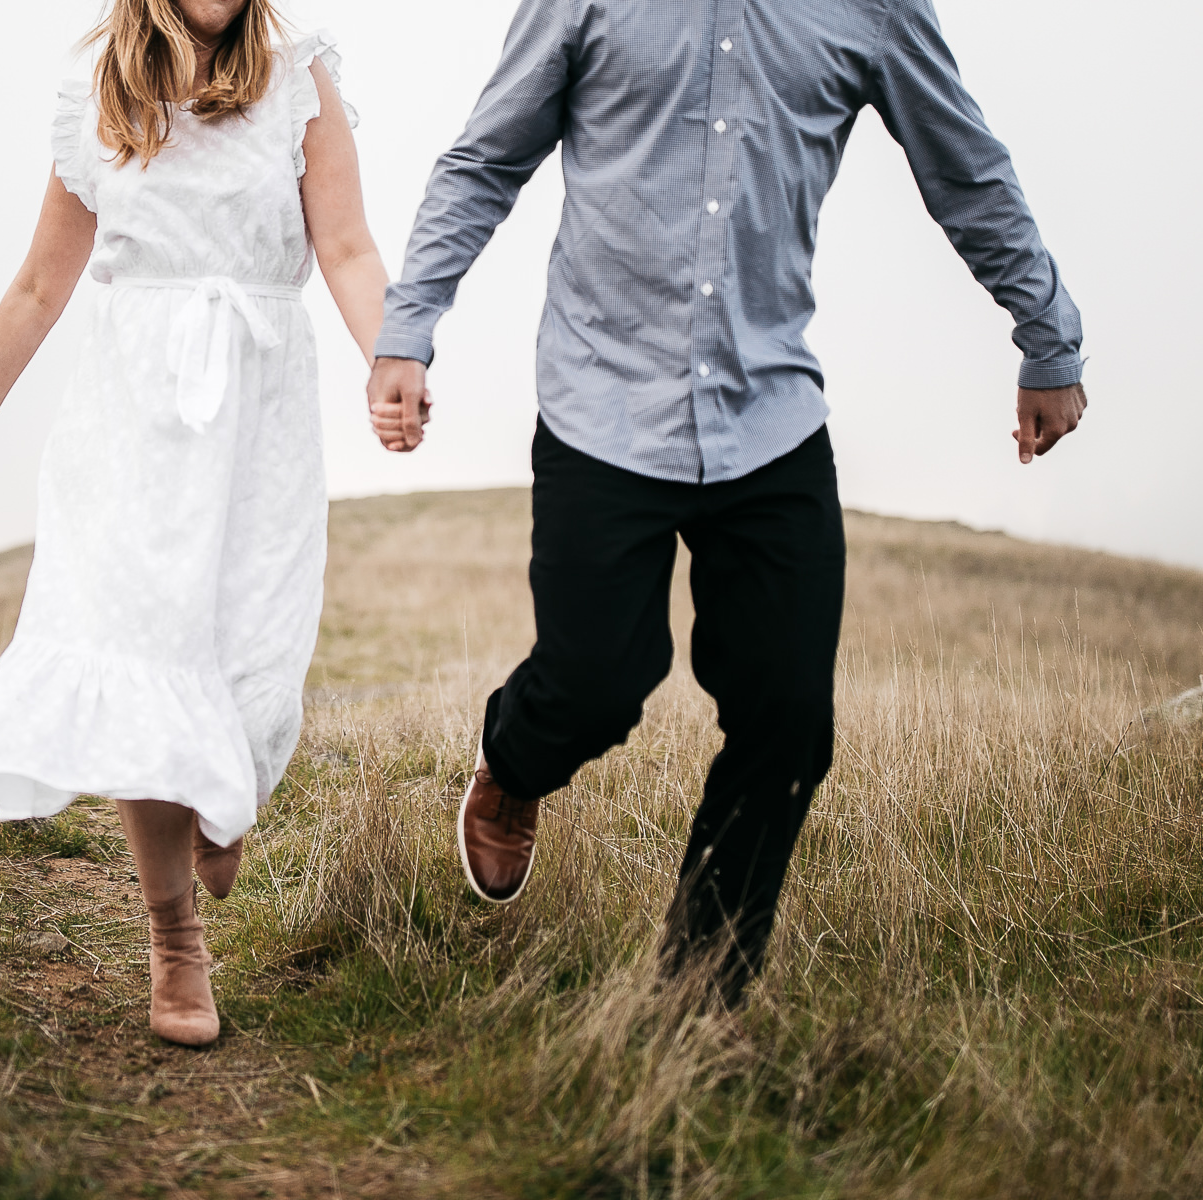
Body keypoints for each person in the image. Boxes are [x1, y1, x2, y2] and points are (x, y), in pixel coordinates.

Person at [366, 0, 1087, 1009]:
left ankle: (698, 1004)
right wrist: (409, 332)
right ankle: (513, 764)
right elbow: (484, 161)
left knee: (789, 724)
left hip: (767, 412)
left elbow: (963, 168)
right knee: (599, 680)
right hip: (603, 400)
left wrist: (1045, 338)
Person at [0, 0, 386, 1046]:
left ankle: (225, 796)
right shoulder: (97, 101)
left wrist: (391, 361)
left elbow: (347, 249)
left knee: (255, 669)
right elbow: (41, 285)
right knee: (140, 660)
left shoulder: (302, 82)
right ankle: (175, 943)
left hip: (258, 414)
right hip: (129, 422)